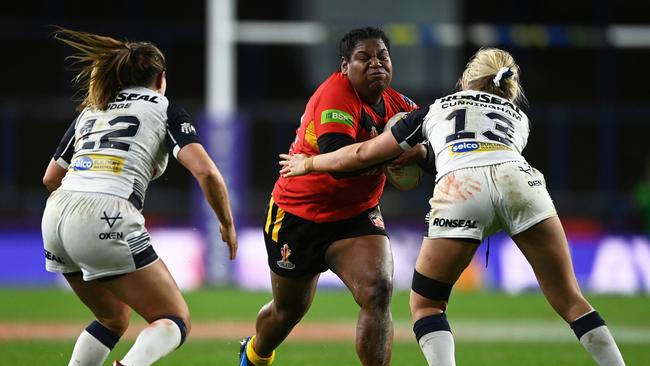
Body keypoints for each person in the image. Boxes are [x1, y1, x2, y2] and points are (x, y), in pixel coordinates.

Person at [280, 47, 626, 366]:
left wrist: (308, 165)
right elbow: (477, 145)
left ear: (465, 79)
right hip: (520, 180)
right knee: (570, 298)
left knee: (426, 305)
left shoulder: (435, 108)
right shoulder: (519, 118)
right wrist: (423, 155)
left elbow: (361, 154)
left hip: (463, 187)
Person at [41, 27, 238, 366]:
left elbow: (50, 178)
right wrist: (226, 223)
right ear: (160, 78)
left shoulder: (92, 110)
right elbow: (207, 172)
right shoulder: (164, 108)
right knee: (174, 319)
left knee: (112, 318)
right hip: (107, 212)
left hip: (55, 215)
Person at [240, 27, 426, 366]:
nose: (375, 64)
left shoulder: (402, 107)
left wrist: (420, 155)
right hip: (298, 214)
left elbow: (434, 154)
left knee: (378, 291)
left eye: (382, 56)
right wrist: (395, 152)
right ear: (344, 66)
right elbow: (339, 161)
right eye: (363, 58)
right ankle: (255, 354)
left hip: (357, 215)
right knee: (288, 311)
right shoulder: (336, 96)